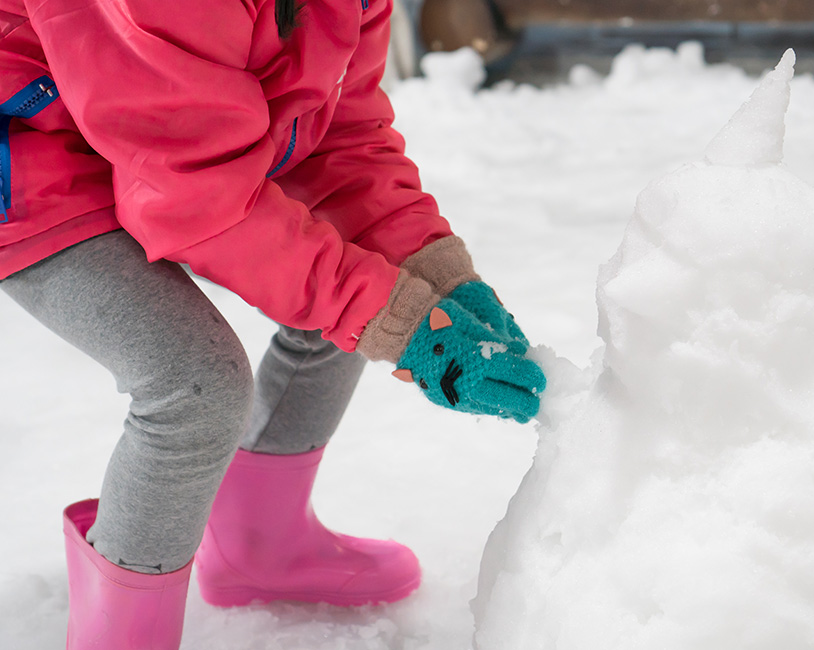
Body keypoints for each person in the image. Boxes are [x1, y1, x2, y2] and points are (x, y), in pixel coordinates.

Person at [0, 0, 546, 647]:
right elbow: (196, 204)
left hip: (164, 147)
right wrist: (402, 324)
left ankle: (263, 547)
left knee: (356, 273)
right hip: (34, 161)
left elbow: (344, 135)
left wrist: (441, 277)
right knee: (195, 385)